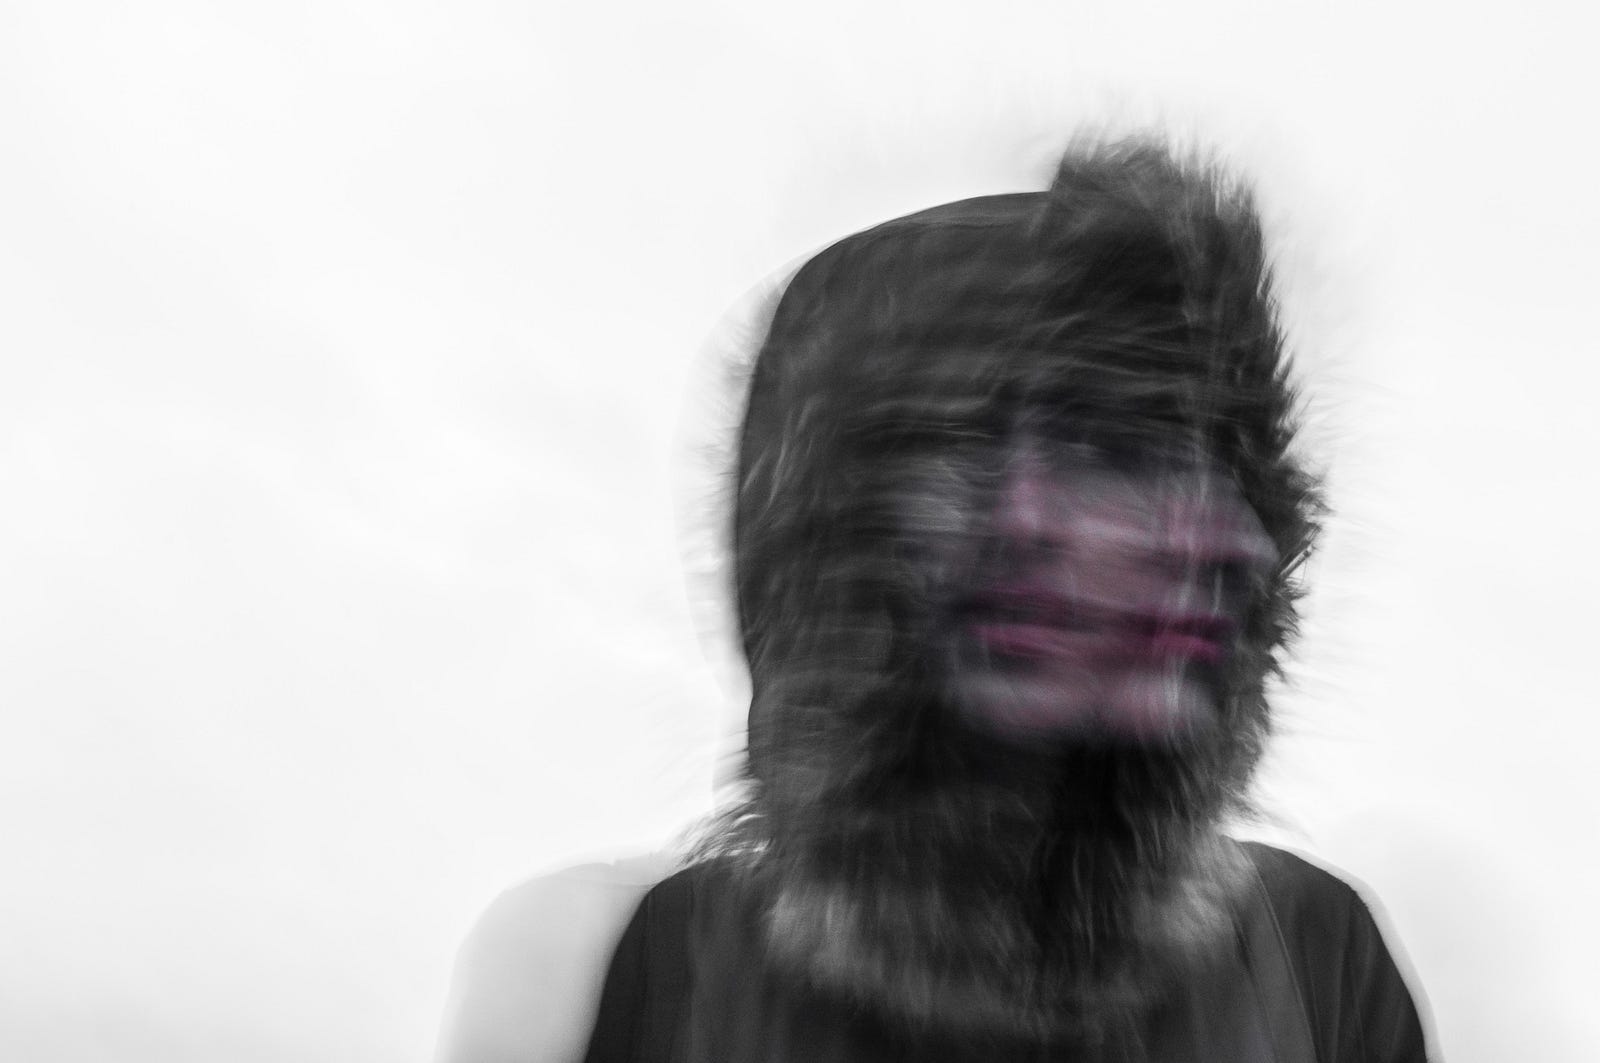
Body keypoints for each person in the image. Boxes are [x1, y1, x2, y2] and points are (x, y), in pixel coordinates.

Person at [444, 136, 1435, 1063]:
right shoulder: (608, 978)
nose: (1236, 543)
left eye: (1233, 480)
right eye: (1120, 450)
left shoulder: (1321, 959)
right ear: (862, 523)